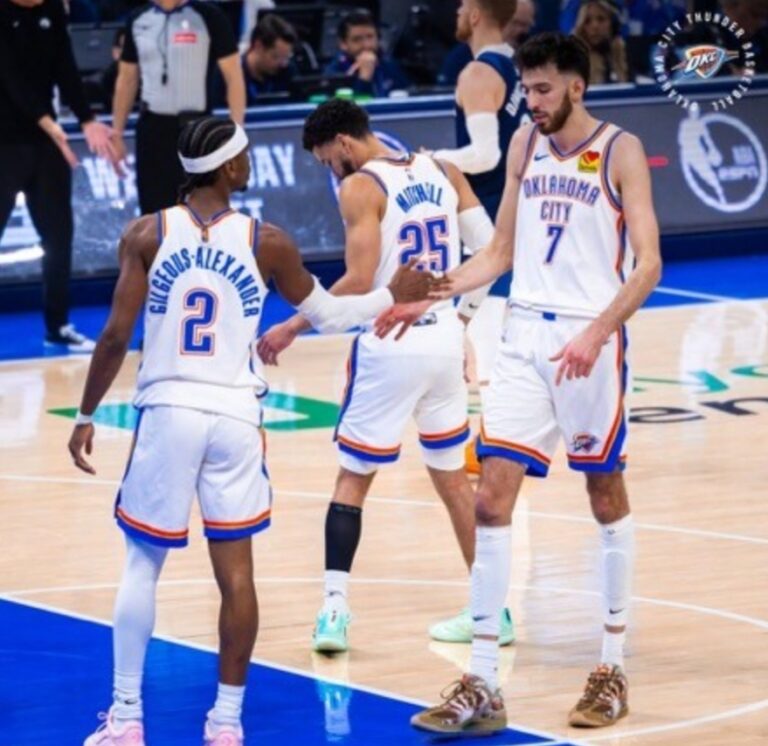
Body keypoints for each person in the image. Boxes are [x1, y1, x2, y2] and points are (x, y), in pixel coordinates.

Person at [68, 116, 436, 746]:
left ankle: (126, 719)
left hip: (170, 411)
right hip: (236, 417)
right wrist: (389, 294)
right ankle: (227, 722)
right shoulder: (269, 242)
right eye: (243, 160)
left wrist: (85, 414)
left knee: (142, 565)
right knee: (237, 576)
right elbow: (330, 315)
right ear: (232, 168)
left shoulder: (146, 233)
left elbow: (113, 337)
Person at [380, 32, 662, 733]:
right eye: (526, 89)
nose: (530, 101)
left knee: (604, 494)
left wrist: (599, 331)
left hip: (588, 339)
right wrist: (432, 294)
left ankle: (611, 667)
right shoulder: (524, 146)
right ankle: (482, 681)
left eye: (542, 89)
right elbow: (500, 251)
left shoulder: (620, 150)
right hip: (522, 335)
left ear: (576, 87)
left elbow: (649, 264)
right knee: (490, 499)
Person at [256, 98, 514, 653]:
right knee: (452, 480)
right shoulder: (444, 168)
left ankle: (333, 613)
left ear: (343, 143)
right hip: (442, 340)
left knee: (353, 479)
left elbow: (358, 280)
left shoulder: (360, 186)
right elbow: (492, 251)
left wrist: (293, 325)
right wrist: (462, 319)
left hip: (390, 341)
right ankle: (494, 611)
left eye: (328, 160)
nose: (331, 172)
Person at [430, 0, 528, 551]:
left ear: (476, 14)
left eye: (463, 3)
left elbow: (486, 153)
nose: (456, 9)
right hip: (519, 222)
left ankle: (499, 452)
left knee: (487, 356)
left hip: (491, 227)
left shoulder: (477, 72)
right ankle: (498, 442)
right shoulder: (517, 66)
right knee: (496, 353)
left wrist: (433, 159)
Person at [0, 0, 115, 352]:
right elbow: (10, 79)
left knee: (58, 236)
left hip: (47, 143)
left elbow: (65, 67)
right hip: (5, 141)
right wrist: (52, 126)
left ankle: (58, 325)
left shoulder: (52, 10)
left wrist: (87, 119)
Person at [111, 0, 246, 214]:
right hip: (152, 130)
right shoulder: (137, 19)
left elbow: (234, 77)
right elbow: (127, 79)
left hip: (197, 131)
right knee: (154, 212)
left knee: (200, 209)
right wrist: (117, 132)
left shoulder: (209, 16)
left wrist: (236, 131)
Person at [439, 0, 537, 85]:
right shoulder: (460, 58)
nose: (522, 31)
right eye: (516, 23)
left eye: (526, 25)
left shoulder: (533, 56)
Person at [324, 10, 410, 98]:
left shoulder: (388, 64)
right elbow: (348, 106)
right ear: (343, 44)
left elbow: (410, 93)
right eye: (357, 39)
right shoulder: (333, 73)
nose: (367, 45)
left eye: (370, 37)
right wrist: (364, 78)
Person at [239, 14, 297, 103]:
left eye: (286, 57)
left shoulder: (287, 72)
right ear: (258, 46)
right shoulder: (230, 75)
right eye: (275, 56)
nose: (283, 64)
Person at [573, 0, 629, 85]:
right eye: (587, 21)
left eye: (601, 19)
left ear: (613, 25)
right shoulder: (573, 64)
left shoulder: (625, 55)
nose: (595, 26)